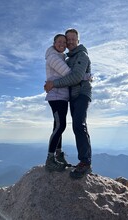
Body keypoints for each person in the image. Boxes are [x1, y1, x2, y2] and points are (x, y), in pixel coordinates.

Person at [44, 28, 92, 179]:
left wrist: (53, 84)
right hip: (71, 96)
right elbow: (73, 75)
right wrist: (84, 76)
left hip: (81, 94)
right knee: (67, 125)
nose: (69, 42)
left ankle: (85, 162)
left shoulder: (81, 55)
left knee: (78, 125)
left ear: (78, 40)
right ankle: (57, 156)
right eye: (67, 39)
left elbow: (75, 77)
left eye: (72, 39)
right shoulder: (67, 58)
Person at [44, 34, 72, 172]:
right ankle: (50, 159)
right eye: (59, 41)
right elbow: (68, 73)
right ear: (54, 43)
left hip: (61, 95)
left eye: (64, 42)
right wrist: (85, 76)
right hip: (56, 95)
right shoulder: (53, 57)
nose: (62, 44)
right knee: (61, 126)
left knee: (58, 125)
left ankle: (58, 155)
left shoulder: (60, 57)